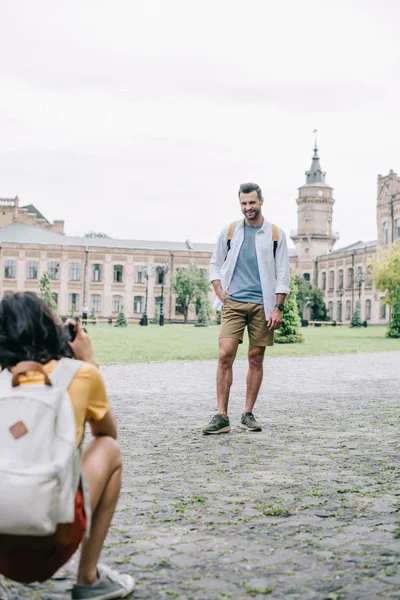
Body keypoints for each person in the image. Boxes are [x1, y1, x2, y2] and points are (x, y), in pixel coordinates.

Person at [0, 292, 134, 599]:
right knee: (109, 450)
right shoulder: (81, 375)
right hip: (54, 537)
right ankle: (87, 578)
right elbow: (108, 432)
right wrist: (88, 362)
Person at [203, 182, 290, 434]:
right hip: (234, 302)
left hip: (263, 305)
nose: (248, 207)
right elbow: (215, 263)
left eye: (252, 202)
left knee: (255, 358)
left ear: (261, 201)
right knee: (224, 354)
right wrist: (219, 290)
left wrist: (278, 308)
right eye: (244, 203)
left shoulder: (275, 234)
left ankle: (247, 414)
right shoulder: (230, 231)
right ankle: (221, 416)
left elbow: (283, 273)